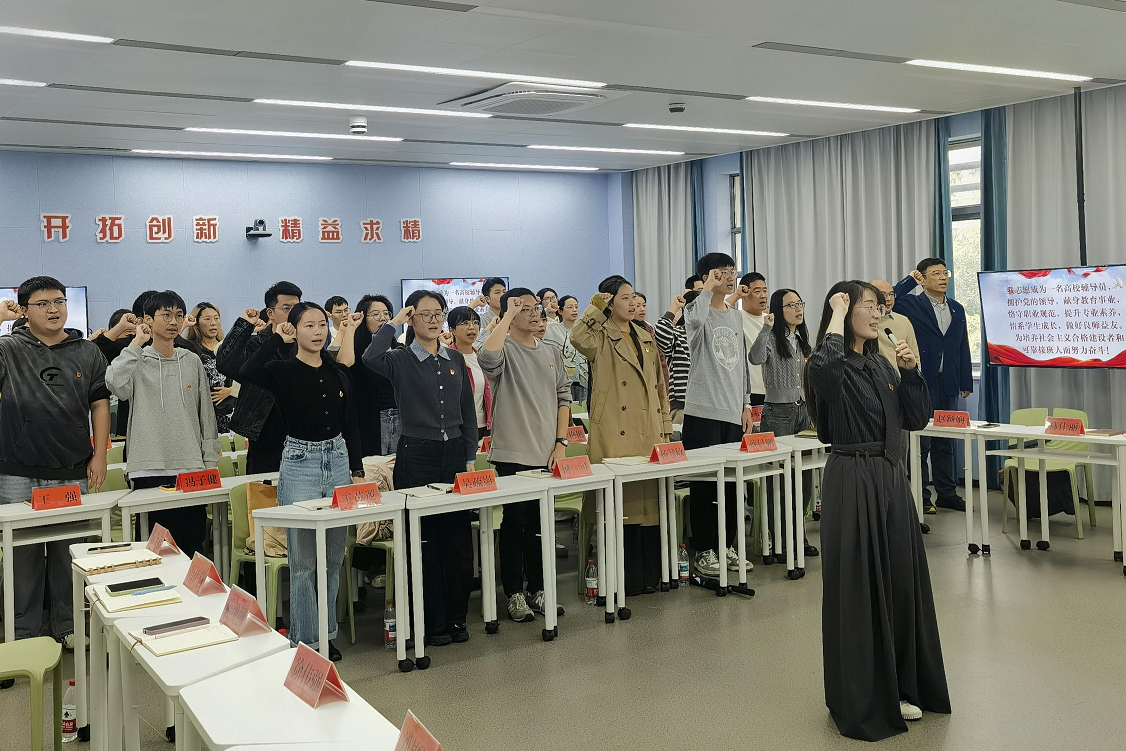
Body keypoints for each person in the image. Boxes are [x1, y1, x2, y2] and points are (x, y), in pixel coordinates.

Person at [807, 281, 950, 741]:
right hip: (852, 477)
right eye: (867, 306)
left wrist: (911, 373)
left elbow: (915, 418)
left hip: (890, 478)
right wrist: (834, 315)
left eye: (878, 306)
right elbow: (822, 375)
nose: (877, 313)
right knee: (860, 588)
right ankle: (865, 696)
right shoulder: (831, 363)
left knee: (900, 583)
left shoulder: (880, 362)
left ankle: (902, 686)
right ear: (844, 310)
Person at [239, 303, 361, 659]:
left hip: (337, 460)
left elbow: (350, 421)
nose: (318, 331)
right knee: (304, 561)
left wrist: (356, 470)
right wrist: (275, 339)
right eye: (309, 325)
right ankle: (306, 639)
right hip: (299, 462)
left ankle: (327, 633)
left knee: (334, 557)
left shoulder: (336, 370)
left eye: (322, 324)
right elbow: (246, 371)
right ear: (295, 330)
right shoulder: (282, 370)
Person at [0, 278, 110, 653]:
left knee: (70, 553)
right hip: (17, 470)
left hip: (72, 468)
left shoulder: (87, 351)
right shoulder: (8, 349)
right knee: (22, 558)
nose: (53, 309)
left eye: (59, 301)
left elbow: (99, 404)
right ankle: (23, 635)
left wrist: (100, 454)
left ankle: (69, 625)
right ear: (25, 310)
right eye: (43, 303)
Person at [363, 290, 478, 646]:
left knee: (457, 540)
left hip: (454, 453)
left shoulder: (454, 357)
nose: (432, 319)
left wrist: (469, 456)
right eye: (424, 314)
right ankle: (431, 623)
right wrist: (393, 323)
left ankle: (456, 619)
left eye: (438, 313)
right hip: (417, 454)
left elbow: (467, 410)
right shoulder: (399, 358)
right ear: (412, 318)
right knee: (424, 540)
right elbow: (370, 357)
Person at [571, 276, 670, 595]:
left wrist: (665, 426)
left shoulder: (644, 335)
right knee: (620, 508)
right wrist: (594, 307)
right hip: (616, 429)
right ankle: (625, 580)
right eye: (624, 298)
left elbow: (660, 386)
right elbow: (577, 337)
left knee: (648, 508)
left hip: (648, 430)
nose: (632, 303)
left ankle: (649, 576)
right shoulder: (599, 334)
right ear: (609, 302)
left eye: (633, 297)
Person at [479, 288, 571, 622]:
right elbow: (487, 359)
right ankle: (514, 592)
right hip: (513, 452)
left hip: (547, 453)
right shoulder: (503, 348)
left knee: (540, 524)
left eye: (536, 308)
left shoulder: (550, 350)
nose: (534, 313)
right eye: (525, 308)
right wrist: (505, 315)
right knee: (515, 523)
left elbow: (564, 397)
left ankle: (539, 588)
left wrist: (561, 443)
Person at [106, 290, 219, 555]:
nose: (173, 321)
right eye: (165, 315)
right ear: (148, 319)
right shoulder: (136, 358)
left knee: (192, 545)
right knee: (154, 549)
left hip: (191, 466)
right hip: (149, 467)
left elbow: (206, 413)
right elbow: (114, 383)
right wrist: (137, 343)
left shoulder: (191, 360)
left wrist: (210, 460)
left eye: (178, 315)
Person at [681, 253, 755, 576]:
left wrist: (746, 404)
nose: (729, 277)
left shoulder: (735, 317)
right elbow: (694, 326)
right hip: (702, 411)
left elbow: (742, 367)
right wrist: (705, 290)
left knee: (731, 486)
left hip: (732, 412)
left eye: (731, 271)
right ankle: (705, 550)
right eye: (721, 272)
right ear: (707, 277)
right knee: (704, 486)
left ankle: (727, 546)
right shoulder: (695, 310)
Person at [893, 259, 972, 514]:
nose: (943, 277)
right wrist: (910, 281)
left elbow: (962, 346)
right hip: (922, 381)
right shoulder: (912, 304)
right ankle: (922, 495)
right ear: (924, 279)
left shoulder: (957, 309)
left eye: (945, 272)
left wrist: (965, 380)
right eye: (936, 273)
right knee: (922, 442)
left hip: (948, 382)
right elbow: (889, 299)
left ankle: (947, 493)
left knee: (945, 442)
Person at [750, 288, 816, 563]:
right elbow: (754, 358)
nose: (798, 309)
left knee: (804, 478)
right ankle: (777, 539)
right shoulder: (770, 338)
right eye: (791, 305)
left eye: (800, 303)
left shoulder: (802, 340)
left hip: (804, 412)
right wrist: (766, 328)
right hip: (778, 413)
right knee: (778, 480)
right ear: (778, 310)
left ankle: (798, 536)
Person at [217, 281, 302, 473]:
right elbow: (225, 362)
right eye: (286, 308)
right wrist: (244, 325)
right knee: (263, 489)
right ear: (270, 313)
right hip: (265, 434)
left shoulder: (306, 345)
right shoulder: (256, 345)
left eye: (297, 308)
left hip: (302, 434)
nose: (293, 313)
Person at [350, 295, 402, 457]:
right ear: (363, 318)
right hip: (370, 419)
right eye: (376, 314)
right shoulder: (356, 350)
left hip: (399, 416)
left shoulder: (399, 349)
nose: (383, 318)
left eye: (386, 313)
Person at [185, 302, 237, 434]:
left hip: (229, 414)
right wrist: (185, 324)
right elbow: (171, 343)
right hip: (202, 415)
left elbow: (246, 376)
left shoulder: (228, 347)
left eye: (216, 318)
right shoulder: (191, 348)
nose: (213, 323)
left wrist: (231, 390)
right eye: (207, 319)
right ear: (197, 323)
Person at [654, 290, 699, 430]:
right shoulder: (678, 333)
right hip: (683, 406)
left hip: (713, 406)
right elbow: (660, 333)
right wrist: (674, 307)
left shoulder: (713, 336)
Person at [444, 306, 492, 437]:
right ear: (452, 330)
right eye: (465, 323)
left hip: (483, 426)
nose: (472, 327)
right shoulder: (446, 359)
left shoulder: (481, 357)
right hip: (458, 428)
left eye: (475, 322)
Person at [92, 309, 138, 436]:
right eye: (123, 328)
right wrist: (121, 327)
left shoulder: (136, 348)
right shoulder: (103, 348)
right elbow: (96, 349)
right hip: (106, 410)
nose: (128, 332)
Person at [729, 272, 769, 406]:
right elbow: (717, 312)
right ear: (745, 294)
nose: (763, 295)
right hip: (748, 391)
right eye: (757, 291)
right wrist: (736, 295)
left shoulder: (770, 320)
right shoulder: (736, 318)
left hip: (772, 392)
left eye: (765, 290)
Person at [544, 295, 588, 404]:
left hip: (584, 381)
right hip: (563, 382)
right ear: (560, 311)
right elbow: (537, 324)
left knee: (582, 411)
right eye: (569, 307)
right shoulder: (553, 328)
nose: (574, 310)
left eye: (576, 307)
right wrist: (547, 311)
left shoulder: (584, 330)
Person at [870, 280, 920, 373]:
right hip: (875, 377)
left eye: (891, 294)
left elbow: (915, 356)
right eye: (883, 294)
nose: (888, 299)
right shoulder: (866, 322)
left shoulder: (904, 321)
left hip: (901, 377)